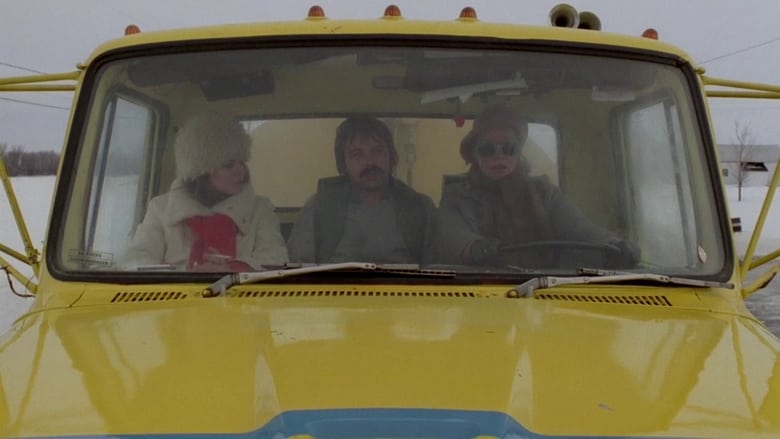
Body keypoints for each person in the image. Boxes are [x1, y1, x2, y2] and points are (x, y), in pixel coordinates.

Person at [437, 104, 638, 267]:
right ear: (474, 154)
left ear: (519, 151)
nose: (499, 156)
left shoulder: (544, 192)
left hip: (544, 289)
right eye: (487, 149)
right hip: (479, 291)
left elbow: (581, 230)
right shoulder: (455, 198)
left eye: (509, 148)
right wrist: (475, 248)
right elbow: (454, 236)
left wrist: (615, 246)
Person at [123, 112, 288, 271]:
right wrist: (183, 275)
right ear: (201, 172)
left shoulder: (260, 209)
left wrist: (232, 271)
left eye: (242, 162)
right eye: (228, 165)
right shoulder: (160, 209)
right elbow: (135, 261)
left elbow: (276, 262)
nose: (241, 171)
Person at [287, 116, 435, 264]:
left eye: (378, 151)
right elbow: (298, 267)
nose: (370, 162)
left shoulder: (420, 207)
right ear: (343, 163)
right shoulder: (318, 207)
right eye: (357, 155)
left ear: (392, 156)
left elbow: (437, 268)